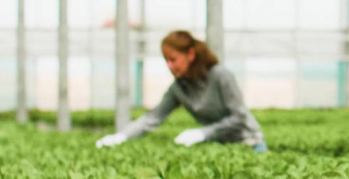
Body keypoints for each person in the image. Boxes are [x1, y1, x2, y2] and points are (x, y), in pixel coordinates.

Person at [96, 30, 267, 152]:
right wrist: (122, 136)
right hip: (221, 145)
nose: (170, 66)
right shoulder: (179, 88)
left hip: (249, 143)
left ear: (190, 54)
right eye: (166, 61)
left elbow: (239, 117)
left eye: (173, 59)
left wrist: (203, 132)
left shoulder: (220, 75)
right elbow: (152, 118)